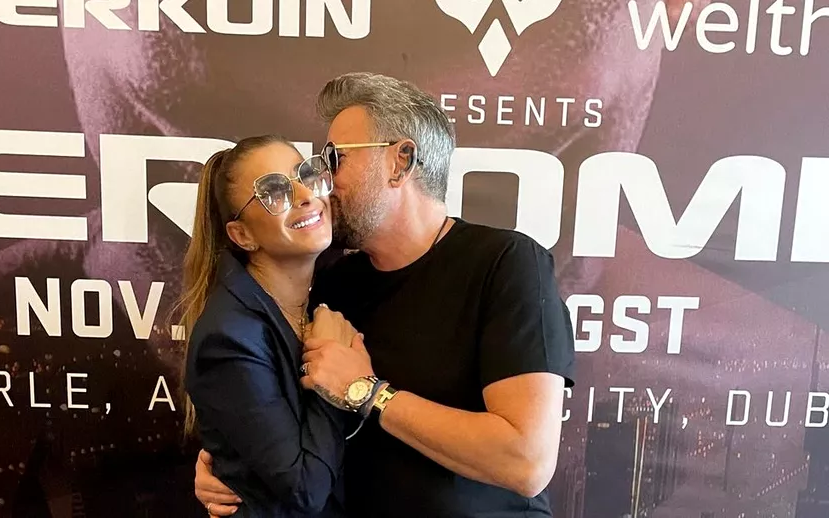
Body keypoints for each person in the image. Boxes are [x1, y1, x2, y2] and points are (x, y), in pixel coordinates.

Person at [196, 73, 576, 517]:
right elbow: (283, 434)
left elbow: (526, 461)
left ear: (400, 162)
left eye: (335, 159)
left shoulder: (506, 264)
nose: (322, 182)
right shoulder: (334, 284)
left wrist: (367, 392)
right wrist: (235, 469)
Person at [179, 134, 355, 517]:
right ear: (242, 235)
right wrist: (334, 380)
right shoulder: (229, 336)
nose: (305, 195)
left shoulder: (333, 292)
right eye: (274, 192)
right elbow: (305, 489)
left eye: (305, 175)